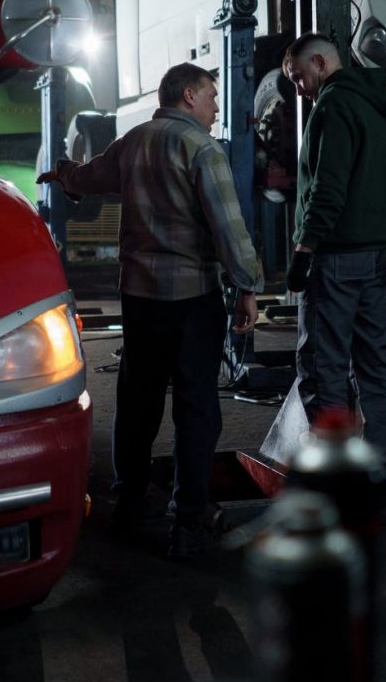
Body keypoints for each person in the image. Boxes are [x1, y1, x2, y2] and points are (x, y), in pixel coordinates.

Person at [38, 62, 263, 558]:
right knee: (196, 407)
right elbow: (228, 227)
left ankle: (129, 503)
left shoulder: (134, 141)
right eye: (211, 96)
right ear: (188, 95)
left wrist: (64, 173)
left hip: (140, 298)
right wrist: (248, 286)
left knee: (138, 401)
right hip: (191, 300)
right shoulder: (203, 149)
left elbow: (90, 176)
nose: (216, 106)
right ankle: (188, 522)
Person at [282, 31, 386, 507]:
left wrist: (304, 250)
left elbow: (327, 189)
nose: (298, 88)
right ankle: (381, 476)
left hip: (335, 259)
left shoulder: (332, 109)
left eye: (298, 77)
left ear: (319, 62)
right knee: (376, 367)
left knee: (324, 368)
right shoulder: (380, 108)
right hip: (379, 257)